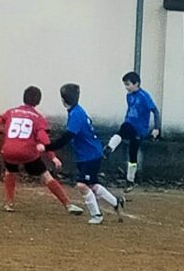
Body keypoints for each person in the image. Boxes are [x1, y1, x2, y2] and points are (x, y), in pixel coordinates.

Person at [0, 86, 83, 215]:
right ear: (38, 101)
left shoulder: (11, 112)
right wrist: (53, 157)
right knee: (46, 176)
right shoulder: (39, 118)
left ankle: (8, 203)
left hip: (9, 150)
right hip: (28, 153)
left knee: (10, 172)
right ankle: (68, 204)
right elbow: (43, 138)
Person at [45, 83, 125, 225]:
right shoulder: (76, 111)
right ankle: (115, 202)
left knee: (82, 185)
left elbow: (67, 137)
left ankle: (96, 215)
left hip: (90, 155)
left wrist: (48, 147)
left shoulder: (76, 114)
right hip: (86, 154)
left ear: (63, 100)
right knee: (92, 184)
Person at [104, 71, 161, 189]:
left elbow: (155, 111)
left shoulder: (144, 96)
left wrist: (156, 128)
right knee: (123, 129)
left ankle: (130, 180)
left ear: (136, 84)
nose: (126, 87)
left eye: (128, 84)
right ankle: (109, 147)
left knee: (132, 153)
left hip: (139, 129)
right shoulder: (129, 96)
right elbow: (130, 110)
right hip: (129, 124)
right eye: (125, 85)